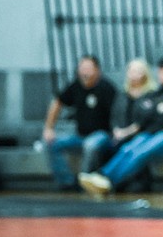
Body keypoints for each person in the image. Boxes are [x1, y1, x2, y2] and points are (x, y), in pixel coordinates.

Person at [78, 54, 163, 196]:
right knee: (130, 147)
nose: (159, 74)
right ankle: (102, 174)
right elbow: (151, 115)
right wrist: (160, 111)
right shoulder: (160, 92)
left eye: (162, 71)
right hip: (156, 132)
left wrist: (159, 112)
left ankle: (110, 181)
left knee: (144, 150)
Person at [41, 55, 116, 191]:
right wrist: (49, 128)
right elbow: (57, 102)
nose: (84, 72)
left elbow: (118, 113)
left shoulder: (107, 88)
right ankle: (67, 183)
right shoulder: (76, 85)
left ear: (97, 70)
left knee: (90, 144)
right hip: (80, 135)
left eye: (88, 68)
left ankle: (85, 183)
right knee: (51, 142)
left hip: (103, 135)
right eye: (82, 68)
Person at [82, 57, 159, 174]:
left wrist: (126, 132)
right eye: (131, 71)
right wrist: (116, 130)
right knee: (95, 144)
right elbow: (114, 116)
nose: (134, 74)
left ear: (145, 73)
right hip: (118, 135)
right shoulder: (122, 95)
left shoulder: (151, 95)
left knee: (128, 148)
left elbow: (145, 121)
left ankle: (104, 176)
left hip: (140, 135)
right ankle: (86, 178)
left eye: (138, 71)